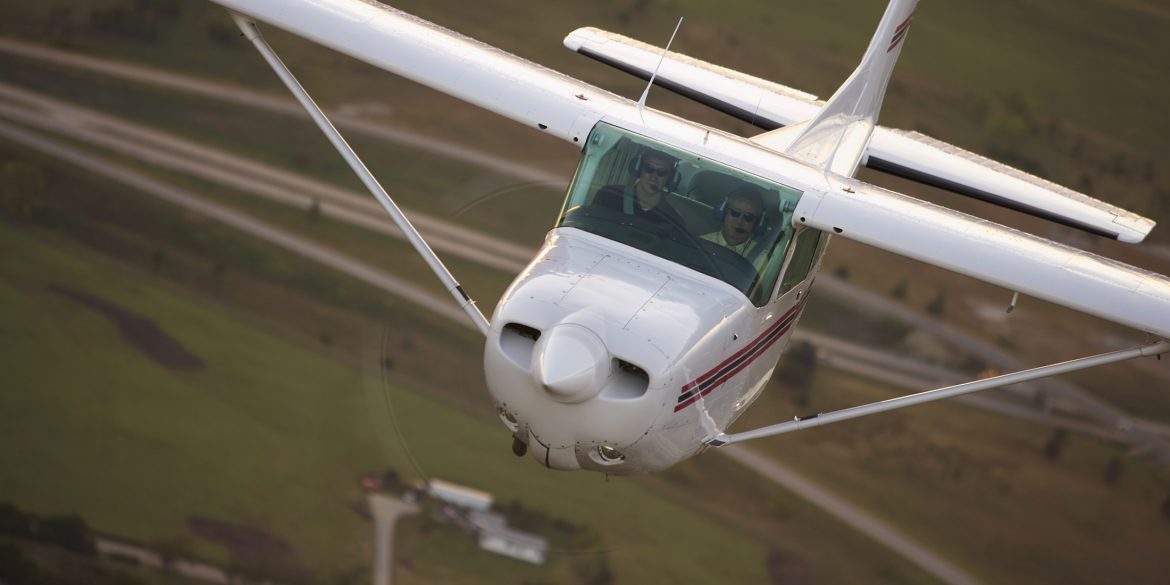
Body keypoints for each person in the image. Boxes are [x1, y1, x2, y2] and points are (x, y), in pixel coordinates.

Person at [592, 148, 687, 229]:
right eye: (649, 168)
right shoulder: (608, 196)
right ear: (638, 169)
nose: (653, 177)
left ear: (670, 178)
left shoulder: (674, 222)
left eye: (661, 172)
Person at [701, 185, 768, 271]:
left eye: (749, 217)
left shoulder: (760, 258)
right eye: (735, 213)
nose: (739, 221)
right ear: (723, 213)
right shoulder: (702, 243)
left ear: (757, 224)